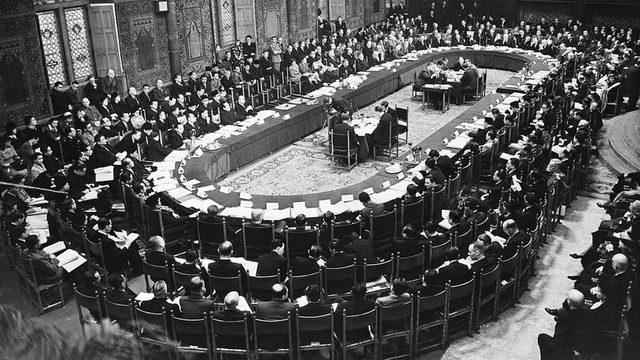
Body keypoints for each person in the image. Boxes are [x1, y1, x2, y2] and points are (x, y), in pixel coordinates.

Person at [538, 290, 592, 360]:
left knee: (542, 337)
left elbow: (559, 337)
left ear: (569, 302)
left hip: (565, 348)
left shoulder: (565, 316)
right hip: (577, 345)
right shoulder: (586, 312)